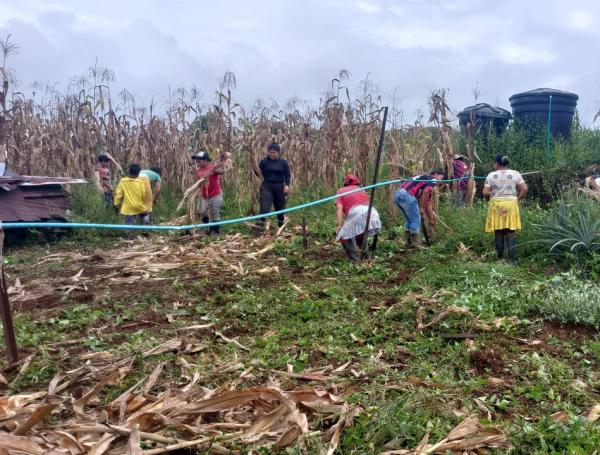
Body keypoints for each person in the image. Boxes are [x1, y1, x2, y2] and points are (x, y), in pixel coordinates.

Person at [482, 154, 528, 262]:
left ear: (497, 164)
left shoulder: (491, 175)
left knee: (498, 231)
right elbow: (524, 189)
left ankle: (500, 259)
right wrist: (517, 198)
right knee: (510, 231)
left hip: (497, 204)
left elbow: (484, 192)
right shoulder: (516, 174)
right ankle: (511, 260)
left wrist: (493, 192)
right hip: (511, 204)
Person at [335, 173, 381, 261]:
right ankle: (365, 257)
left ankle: (355, 259)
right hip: (373, 213)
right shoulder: (362, 190)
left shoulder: (341, 191)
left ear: (345, 183)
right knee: (360, 231)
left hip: (357, 212)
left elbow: (339, 208)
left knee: (342, 235)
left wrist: (339, 225)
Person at [394, 169, 445, 248]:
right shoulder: (432, 179)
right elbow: (426, 192)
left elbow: (427, 201)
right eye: (441, 178)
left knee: (410, 220)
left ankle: (408, 243)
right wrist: (421, 208)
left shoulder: (422, 178)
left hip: (398, 194)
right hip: (407, 194)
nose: (440, 181)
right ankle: (415, 245)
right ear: (435, 174)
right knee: (415, 220)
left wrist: (431, 218)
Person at [258, 143, 291, 231]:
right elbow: (257, 173)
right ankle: (259, 228)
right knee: (264, 208)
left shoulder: (283, 162)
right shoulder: (263, 162)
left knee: (280, 209)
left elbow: (287, 175)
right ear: (268, 152)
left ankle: (281, 228)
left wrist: (287, 185)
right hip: (267, 186)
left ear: (279, 153)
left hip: (279, 187)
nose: (272, 154)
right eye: (270, 152)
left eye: (274, 153)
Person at [192, 151, 224, 235]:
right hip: (204, 196)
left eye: (199, 160)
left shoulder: (212, 167)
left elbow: (221, 171)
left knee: (215, 213)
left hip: (215, 194)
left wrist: (214, 170)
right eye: (197, 160)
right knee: (202, 212)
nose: (197, 162)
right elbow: (198, 183)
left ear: (206, 160)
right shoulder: (198, 170)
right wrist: (196, 175)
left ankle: (216, 231)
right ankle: (207, 228)